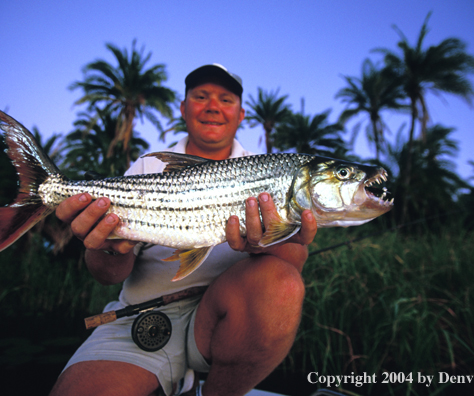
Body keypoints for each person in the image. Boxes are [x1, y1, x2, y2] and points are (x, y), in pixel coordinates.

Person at [49, 64, 318, 396]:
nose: (213, 106)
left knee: (283, 284)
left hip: (222, 322)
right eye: (201, 96)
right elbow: (107, 275)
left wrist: (264, 244)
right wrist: (106, 247)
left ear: (241, 114)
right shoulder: (150, 166)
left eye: (226, 98)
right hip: (141, 316)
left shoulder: (270, 171)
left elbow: (290, 268)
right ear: (183, 107)